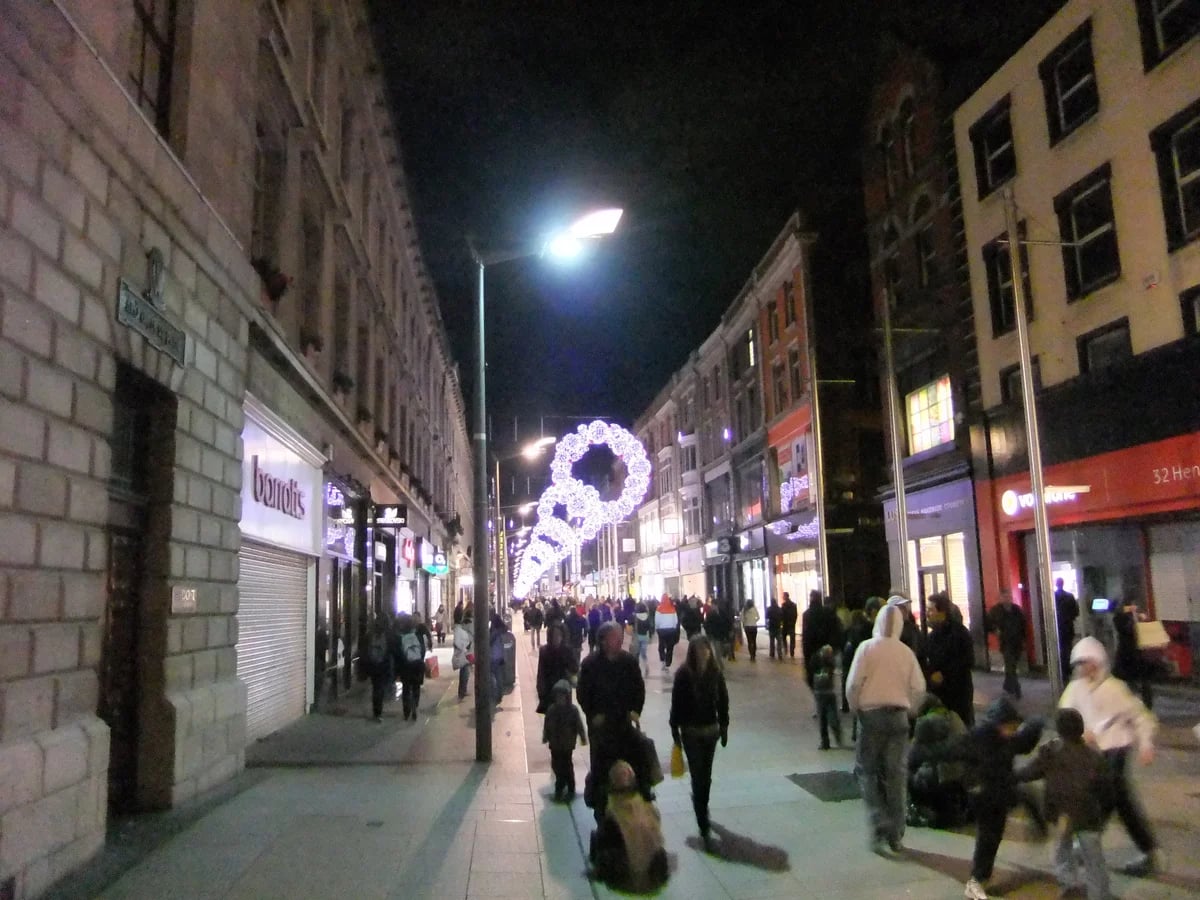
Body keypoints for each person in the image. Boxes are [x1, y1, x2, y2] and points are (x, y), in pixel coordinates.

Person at [1061, 636, 1160, 877]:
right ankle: (1148, 851)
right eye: (1081, 663)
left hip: (1117, 748)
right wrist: (1079, 734)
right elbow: (1063, 717)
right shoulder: (1075, 690)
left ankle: (1086, 845)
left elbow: (1140, 716)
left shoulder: (1115, 688)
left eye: (1088, 662)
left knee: (1108, 794)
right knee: (1115, 799)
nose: (1085, 668)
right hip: (1093, 752)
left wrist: (1146, 743)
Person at [845, 602, 927, 856]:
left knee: (867, 771)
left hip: (871, 716)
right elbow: (919, 688)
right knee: (896, 776)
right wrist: (910, 709)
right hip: (898, 718)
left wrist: (855, 707)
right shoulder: (905, 653)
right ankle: (896, 833)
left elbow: (853, 684)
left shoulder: (867, 649)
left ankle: (878, 818)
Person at [950, 697, 1045, 900]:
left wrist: (1036, 724)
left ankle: (981, 876)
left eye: (1014, 727)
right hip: (984, 795)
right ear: (998, 724)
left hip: (999, 793)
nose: (1011, 730)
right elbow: (955, 752)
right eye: (1009, 726)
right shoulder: (978, 738)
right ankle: (977, 879)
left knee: (995, 833)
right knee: (988, 836)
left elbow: (1023, 742)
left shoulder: (1005, 738)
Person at [1016, 708, 1114, 900]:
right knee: (1094, 860)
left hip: (1061, 814)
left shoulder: (1050, 753)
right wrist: (1103, 814)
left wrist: (1008, 775)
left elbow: (1028, 773)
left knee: (1062, 850)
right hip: (1088, 815)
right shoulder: (1094, 757)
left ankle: (1068, 885)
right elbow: (1107, 791)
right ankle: (1099, 895)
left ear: (1059, 730)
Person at [578, 621, 648, 821]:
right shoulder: (591, 664)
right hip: (601, 727)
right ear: (604, 640)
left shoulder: (628, 662)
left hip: (623, 722)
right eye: (616, 637)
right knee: (601, 767)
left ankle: (635, 797)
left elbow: (638, 688)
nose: (620, 640)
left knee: (631, 760)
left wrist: (635, 710)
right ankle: (601, 811)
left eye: (620, 637)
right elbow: (583, 693)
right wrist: (593, 714)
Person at [669, 636, 729, 849]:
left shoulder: (715, 673)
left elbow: (723, 700)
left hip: (710, 730)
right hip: (691, 732)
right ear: (693, 652)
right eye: (699, 650)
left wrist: (724, 726)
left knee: (707, 775)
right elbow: (676, 703)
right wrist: (674, 729)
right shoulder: (684, 675)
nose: (704, 653)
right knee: (697, 774)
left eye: (706, 649)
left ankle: (703, 803)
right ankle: (702, 816)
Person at [588, 760, 668, 893]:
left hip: (625, 873)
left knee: (597, 837)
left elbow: (605, 837)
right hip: (654, 872)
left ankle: (603, 873)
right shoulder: (647, 806)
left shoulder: (614, 810)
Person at [906, 693, 970, 829]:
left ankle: (917, 808)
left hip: (938, 780)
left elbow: (912, 757)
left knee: (904, 773)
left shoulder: (925, 724)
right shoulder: (955, 718)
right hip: (963, 778)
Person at [924, 592, 975, 727]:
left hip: (958, 694)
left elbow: (968, 660)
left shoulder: (960, 633)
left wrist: (945, 674)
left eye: (931, 610)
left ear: (942, 612)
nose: (927, 613)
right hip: (938, 695)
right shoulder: (931, 637)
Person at [543, 679, 587, 802]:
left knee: (567, 765)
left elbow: (579, 725)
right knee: (556, 764)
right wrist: (546, 736)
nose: (560, 699)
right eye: (558, 696)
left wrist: (582, 737)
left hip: (567, 744)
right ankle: (561, 784)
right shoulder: (552, 710)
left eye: (562, 696)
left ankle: (566, 786)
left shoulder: (572, 711)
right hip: (555, 743)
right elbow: (547, 724)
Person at [985, 591, 1026, 699]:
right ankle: (1017, 688)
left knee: (1012, 665)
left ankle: (1007, 685)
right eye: (1005, 597)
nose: (1007, 599)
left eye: (1009, 597)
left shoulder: (1017, 610)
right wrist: (995, 630)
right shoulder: (995, 611)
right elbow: (988, 623)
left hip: (1017, 642)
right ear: (1000, 598)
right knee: (1010, 665)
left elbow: (1023, 625)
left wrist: (1024, 640)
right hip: (1006, 641)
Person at [802, 590, 841, 690]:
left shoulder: (807, 614)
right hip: (827, 651)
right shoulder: (828, 613)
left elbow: (806, 638)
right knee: (827, 680)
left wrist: (806, 660)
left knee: (814, 682)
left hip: (813, 652)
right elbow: (835, 632)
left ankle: (821, 699)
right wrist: (834, 649)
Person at [393, 612, 428, 721]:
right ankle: (415, 706)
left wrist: (397, 670)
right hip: (417, 664)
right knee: (416, 687)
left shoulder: (400, 637)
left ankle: (406, 711)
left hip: (406, 666)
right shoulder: (416, 635)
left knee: (406, 688)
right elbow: (422, 649)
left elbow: (398, 654)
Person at [536, 623, 576, 714]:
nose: (556, 638)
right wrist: (541, 691)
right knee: (551, 717)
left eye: (559, 635)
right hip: (549, 689)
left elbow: (574, 668)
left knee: (565, 717)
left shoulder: (567, 650)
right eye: (554, 635)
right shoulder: (544, 651)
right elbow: (541, 672)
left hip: (564, 688)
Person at [812, 644, 843, 750]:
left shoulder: (816, 659)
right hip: (828, 692)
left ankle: (825, 742)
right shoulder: (831, 662)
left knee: (823, 719)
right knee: (832, 716)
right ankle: (836, 734)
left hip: (821, 693)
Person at [365, 617, 394, 722]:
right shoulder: (388, 635)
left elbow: (364, 649)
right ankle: (378, 711)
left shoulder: (370, 634)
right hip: (384, 665)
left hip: (373, 665)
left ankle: (376, 711)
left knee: (376, 687)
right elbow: (392, 651)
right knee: (380, 688)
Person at [1054, 578, 1079, 683]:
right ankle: (1067, 669)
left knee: (1060, 650)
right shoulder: (1070, 597)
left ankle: (1062, 671)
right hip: (1068, 627)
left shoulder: (1053, 597)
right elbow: (1076, 612)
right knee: (1068, 649)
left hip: (1058, 627)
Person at [886, 593, 924, 660]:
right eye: (901, 607)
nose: (906, 610)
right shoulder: (887, 628)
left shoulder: (911, 628)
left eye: (905, 607)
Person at [451, 605, 473, 701]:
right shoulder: (459, 628)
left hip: (466, 652)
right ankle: (461, 692)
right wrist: (465, 648)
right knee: (465, 672)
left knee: (466, 672)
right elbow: (457, 642)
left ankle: (463, 691)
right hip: (464, 653)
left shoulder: (460, 626)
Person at [654, 594, 680, 669]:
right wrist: (674, 628)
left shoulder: (658, 609)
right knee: (670, 647)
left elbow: (657, 621)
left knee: (661, 646)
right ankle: (668, 663)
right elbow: (676, 620)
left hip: (662, 631)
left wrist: (657, 628)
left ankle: (663, 659)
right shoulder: (673, 608)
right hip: (671, 631)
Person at [703, 602, 732, 667]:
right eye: (712, 606)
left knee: (722, 649)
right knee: (717, 650)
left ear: (716, 605)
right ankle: (720, 665)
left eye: (714, 606)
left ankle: (723, 657)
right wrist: (708, 632)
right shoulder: (710, 614)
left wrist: (729, 631)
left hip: (722, 634)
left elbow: (728, 622)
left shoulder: (722, 613)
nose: (713, 607)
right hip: (715, 634)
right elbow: (706, 624)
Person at [488, 613, 507, 709]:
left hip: (493, 656)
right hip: (500, 656)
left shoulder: (495, 632)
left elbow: (489, 641)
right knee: (499, 676)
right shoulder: (502, 630)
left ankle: (495, 693)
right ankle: (499, 694)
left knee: (492, 675)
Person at [632, 601, 653, 676]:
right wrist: (650, 636)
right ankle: (646, 666)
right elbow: (650, 627)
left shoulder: (634, 616)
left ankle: (636, 669)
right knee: (643, 654)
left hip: (636, 637)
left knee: (636, 654)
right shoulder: (647, 617)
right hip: (645, 637)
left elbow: (629, 624)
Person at [780, 592, 799, 658]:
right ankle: (792, 651)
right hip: (791, 624)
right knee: (792, 638)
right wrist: (794, 622)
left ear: (786, 597)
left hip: (785, 624)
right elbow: (796, 615)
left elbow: (782, 615)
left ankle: (786, 648)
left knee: (783, 637)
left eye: (783, 596)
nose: (783, 597)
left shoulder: (783, 605)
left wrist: (782, 623)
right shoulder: (794, 605)